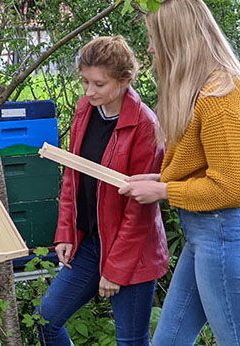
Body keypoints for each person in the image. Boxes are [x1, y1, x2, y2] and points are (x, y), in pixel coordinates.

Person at [118, 1, 240, 345]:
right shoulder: (203, 91)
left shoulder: (220, 95)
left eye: (153, 38)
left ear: (177, 39)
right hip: (205, 235)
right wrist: (160, 180)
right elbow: (206, 169)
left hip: (224, 231)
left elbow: (232, 187)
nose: (149, 47)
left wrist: (164, 192)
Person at [35, 36, 169, 346]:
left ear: (124, 81)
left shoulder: (145, 125)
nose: (88, 91)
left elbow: (140, 212)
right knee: (46, 320)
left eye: (98, 84)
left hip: (131, 252)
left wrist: (116, 270)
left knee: (130, 341)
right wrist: (66, 232)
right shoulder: (85, 109)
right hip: (90, 243)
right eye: (85, 81)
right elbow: (72, 175)